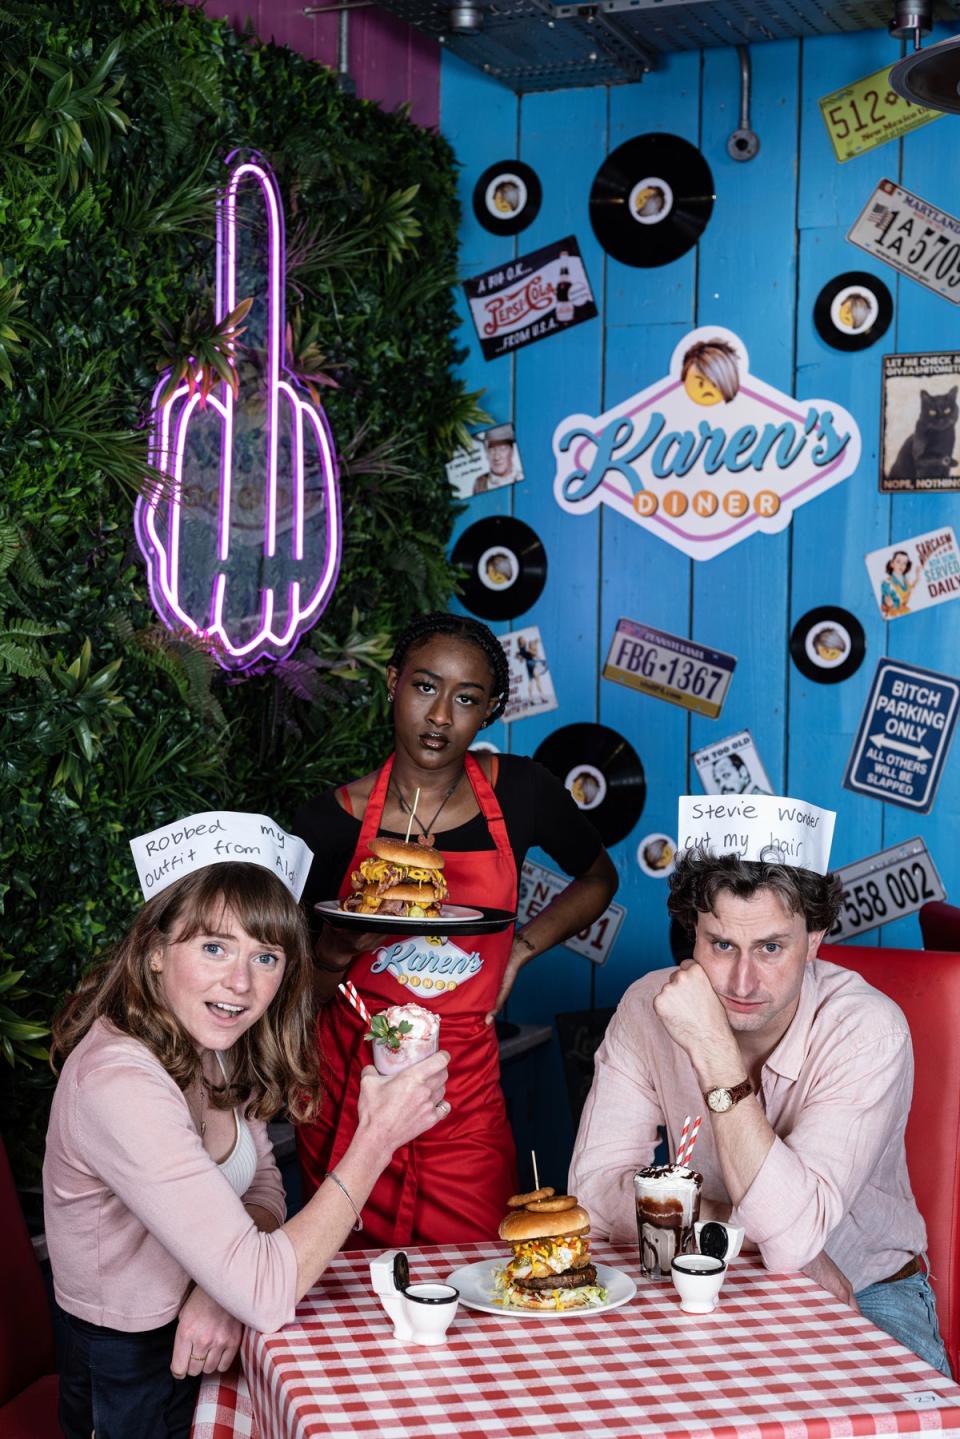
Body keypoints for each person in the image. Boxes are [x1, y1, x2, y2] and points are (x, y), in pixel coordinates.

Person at [43, 819, 450, 1439]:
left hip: (208, 1350)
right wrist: (376, 1140)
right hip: (131, 1378)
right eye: (214, 947)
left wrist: (221, 1285)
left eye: (265, 957)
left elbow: (261, 1184)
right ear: (155, 949)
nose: (240, 983)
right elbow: (263, 1290)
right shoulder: (117, 1082)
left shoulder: (211, 1043)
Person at [292, 611, 618, 1245]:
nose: (440, 716)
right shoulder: (331, 820)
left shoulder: (522, 792)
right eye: (424, 687)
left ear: (490, 710)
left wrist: (520, 949)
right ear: (392, 683)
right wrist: (333, 954)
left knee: (476, 1272)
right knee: (346, 1285)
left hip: (462, 1091)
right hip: (349, 1088)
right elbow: (288, 994)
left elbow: (599, 878)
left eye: (466, 699)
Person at [569, 843, 950, 1376]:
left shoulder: (867, 1030)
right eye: (721, 944)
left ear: (814, 942)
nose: (742, 982)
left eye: (770, 947)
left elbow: (792, 1241)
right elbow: (592, 1193)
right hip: (698, 1273)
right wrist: (747, 1230)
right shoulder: (646, 1005)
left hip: (867, 1287)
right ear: (693, 937)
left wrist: (711, 1047)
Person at [473, 423, 520, 494]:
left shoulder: (520, 477)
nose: (497, 457)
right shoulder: (479, 483)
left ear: (512, 451)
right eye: (492, 450)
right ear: (486, 453)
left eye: (502, 449)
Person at [881, 548, 925, 617]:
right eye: (898, 561)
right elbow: (884, 607)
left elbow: (911, 589)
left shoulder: (905, 580)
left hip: (906, 612)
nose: (901, 565)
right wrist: (890, 605)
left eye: (904, 563)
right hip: (893, 614)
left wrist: (917, 576)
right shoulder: (887, 583)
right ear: (892, 564)